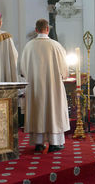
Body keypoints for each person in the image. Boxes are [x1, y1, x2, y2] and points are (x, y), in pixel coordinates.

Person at [21, 19, 70, 152]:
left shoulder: (29, 46)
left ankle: (38, 142)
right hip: (53, 87)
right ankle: (55, 143)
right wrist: (63, 76)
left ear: (36, 30)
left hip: (35, 86)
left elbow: (23, 70)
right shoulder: (56, 46)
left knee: (38, 112)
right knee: (53, 111)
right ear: (47, 29)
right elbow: (65, 70)